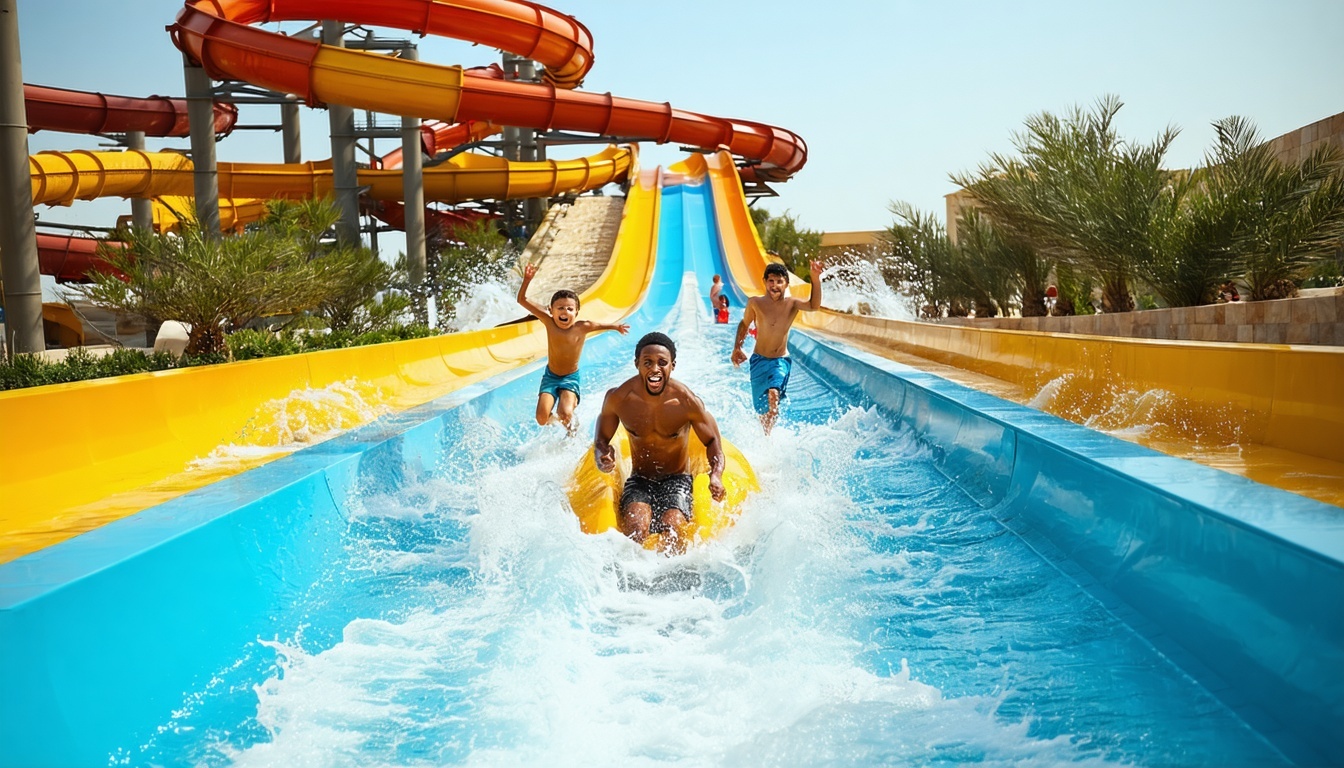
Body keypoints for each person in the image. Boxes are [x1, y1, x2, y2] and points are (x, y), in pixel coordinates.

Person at [594, 332, 726, 553]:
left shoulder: (686, 402)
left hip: (677, 480)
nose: (655, 369)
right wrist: (602, 456)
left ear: (672, 366)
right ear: (637, 364)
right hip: (640, 479)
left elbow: (712, 440)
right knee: (636, 530)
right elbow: (601, 439)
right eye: (648, 362)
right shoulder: (619, 399)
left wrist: (716, 474)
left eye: (662, 363)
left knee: (672, 531)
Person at [516, 263, 629, 433]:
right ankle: (558, 421)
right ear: (551, 310)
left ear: (576, 312)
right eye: (560, 308)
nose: (565, 311)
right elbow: (522, 300)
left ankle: (572, 434)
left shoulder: (582, 327)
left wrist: (616, 327)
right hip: (551, 376)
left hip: (570, 378)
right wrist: (527, 280)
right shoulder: (548, 321)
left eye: (570, 309)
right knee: (541, 418)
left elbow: (599, 324)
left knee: (565, 412)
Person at [732, 260, 823, 433]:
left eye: (779, 281)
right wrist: (737, 347)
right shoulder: (755, 303)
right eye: (771, 281)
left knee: (773, 396)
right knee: (761, 409)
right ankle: (766, 437)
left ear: (786, 284)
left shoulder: (792, 304)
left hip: (780, 361)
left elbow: (814, 305)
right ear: (764, 281)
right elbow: (744, 324)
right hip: (758, 361)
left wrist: (815, 279)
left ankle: (769, 433)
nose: (775, 285)